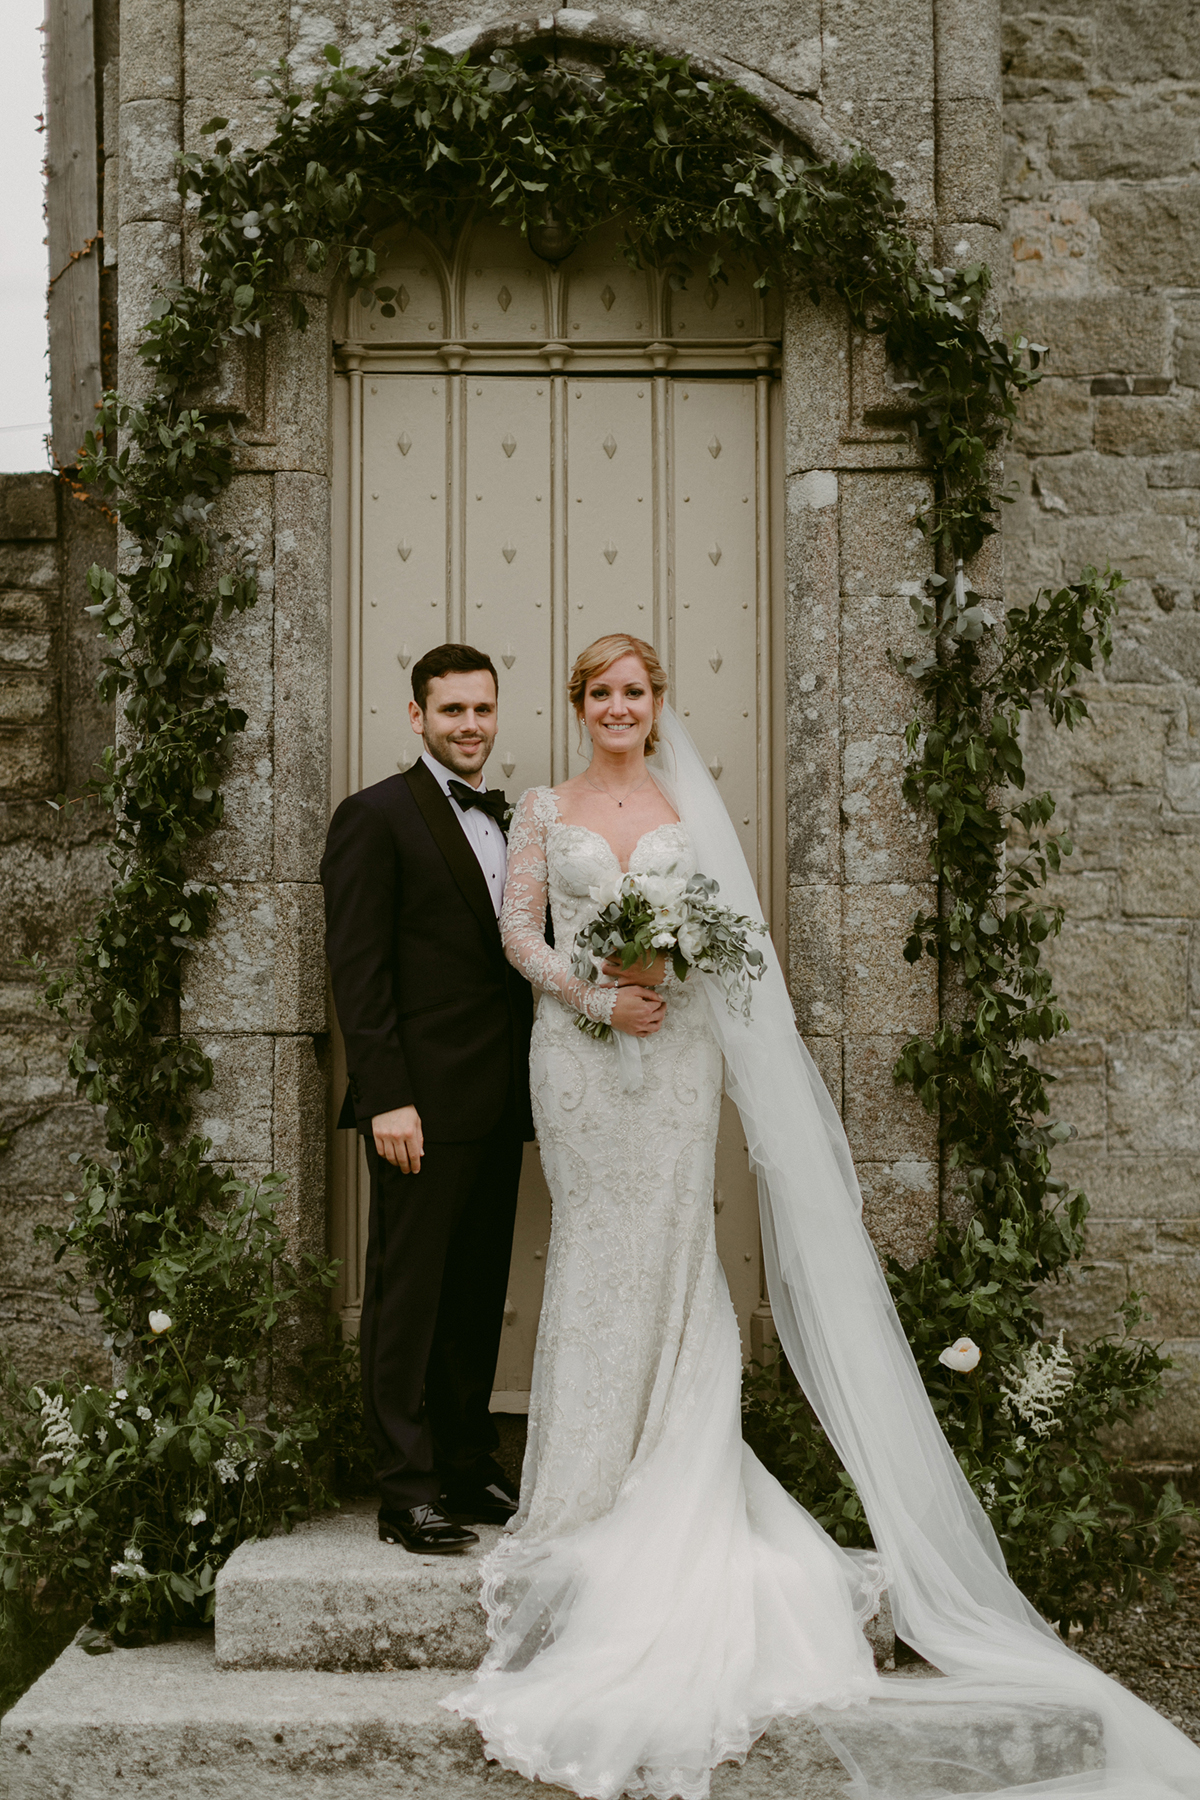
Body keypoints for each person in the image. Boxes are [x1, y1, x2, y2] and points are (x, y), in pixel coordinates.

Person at [443, 632, 1200, 1800]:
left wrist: (667, 986)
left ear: (658, 703)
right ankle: (580, 1486)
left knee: (673, 1242)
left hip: (679, 1056)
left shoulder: (691, 814)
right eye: (601, 693)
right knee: (596, 1242)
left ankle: (670, 1463)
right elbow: (517, 933)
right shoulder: (543, 806)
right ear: (581, 705)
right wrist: (597, 995)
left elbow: (727, 953)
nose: (620, 708)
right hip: (585, 1057)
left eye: (636, 691)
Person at [320, 642, 531, 1555]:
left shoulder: (516, 820)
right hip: (417, 1107)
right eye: (452, 712)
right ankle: (405, 1488)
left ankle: (464, 1459)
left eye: (482, 710)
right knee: (409, 1296)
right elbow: (357, 975)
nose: (470, 726)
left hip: (500, 1098)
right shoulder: (374, 817)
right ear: (417, 716)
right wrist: (386, 1099)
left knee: (477, 1290)